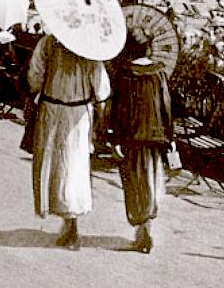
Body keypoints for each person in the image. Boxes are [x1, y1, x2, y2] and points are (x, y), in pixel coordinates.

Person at [27, 33, 111, 250]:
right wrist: (101, 115)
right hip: (78, 113)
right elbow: (101, 87)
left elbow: (35, 73)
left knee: (53, 165)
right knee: (73, 167)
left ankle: (67, 221)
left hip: (52, 108)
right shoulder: (90, 48)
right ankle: (71, 220)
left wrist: (36, 91)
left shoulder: (48, 43)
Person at [109, 35, 173, 254]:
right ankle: (147, 225)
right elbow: (166, 106)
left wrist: (115, 138)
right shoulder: (159, 73)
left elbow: (118, 109)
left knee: (134, 182)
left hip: (131, 137)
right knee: (151, 180)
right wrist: (169, 135)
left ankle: (140, 225)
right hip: (155, 136)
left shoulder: (125, 73)